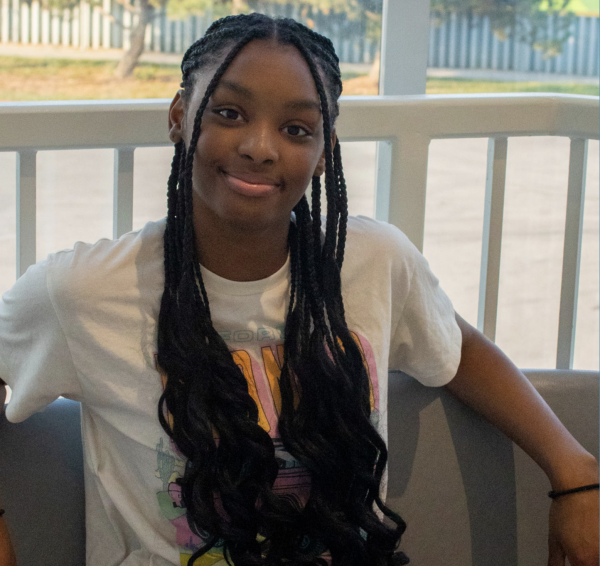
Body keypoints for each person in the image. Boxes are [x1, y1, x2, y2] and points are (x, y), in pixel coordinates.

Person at [0, 13, 598, 566]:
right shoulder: (81, 290)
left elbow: (456, 348)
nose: (260, 147)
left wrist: (576, 472)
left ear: (324, 150)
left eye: (295, 127)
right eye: (229, 113)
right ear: (180, 116)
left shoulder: (374, 262)